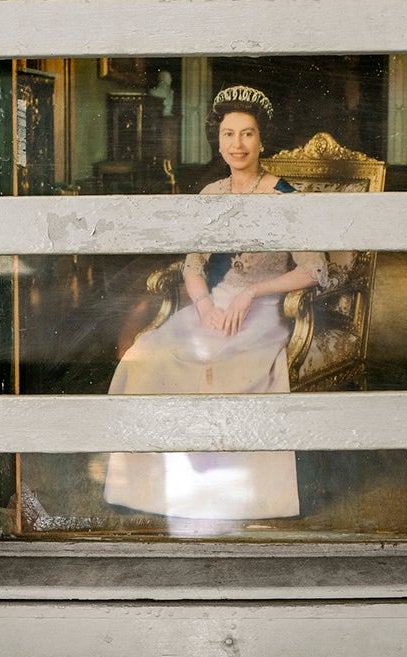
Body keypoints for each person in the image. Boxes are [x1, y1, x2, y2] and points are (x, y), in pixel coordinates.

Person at [103, 85, 328, 521]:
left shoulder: (286, 198)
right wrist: (204, 304)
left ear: (262, 141)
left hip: (265, 310)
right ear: (218, 140)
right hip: (214, 304)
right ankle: (160, 489)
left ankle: (226, 494)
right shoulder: (210, 194)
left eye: (247, 134)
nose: (237, 144)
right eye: (228, 134)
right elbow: (192, 265)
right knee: (145, 354)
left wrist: (251, 292)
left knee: (223, 364)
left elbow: (313, 270)